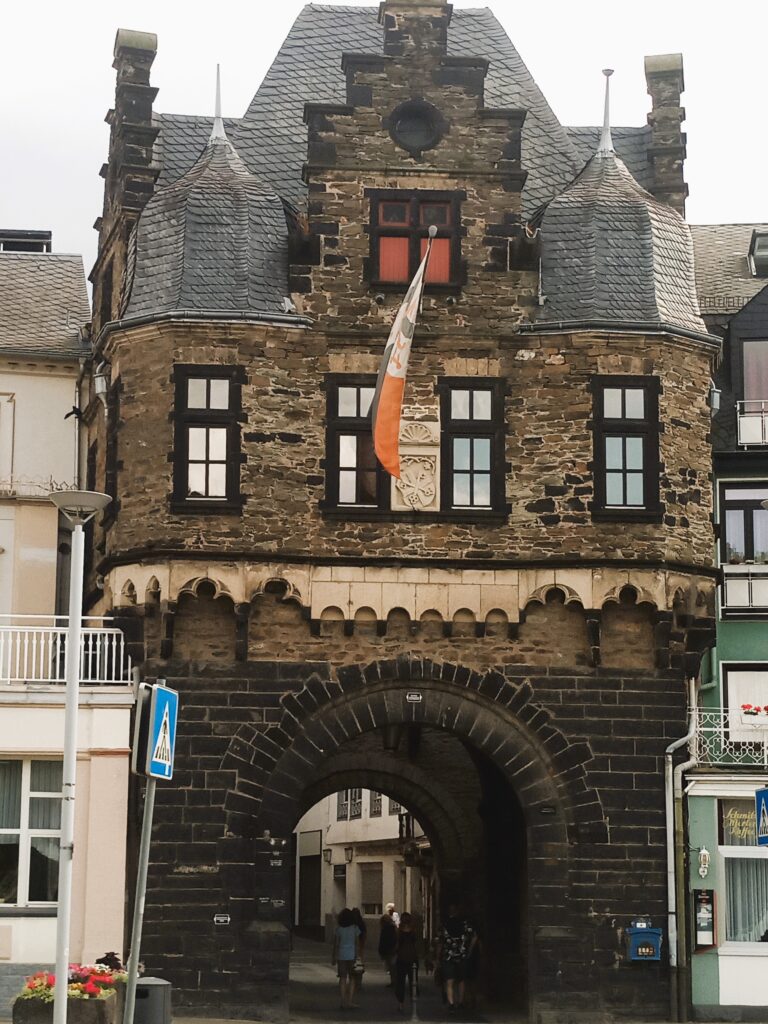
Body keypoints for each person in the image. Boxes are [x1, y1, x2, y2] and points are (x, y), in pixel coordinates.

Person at [436, 904, 476, 1013]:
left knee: (450, 980)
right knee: (461, 980)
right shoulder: (465, 924)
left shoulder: (444, 925)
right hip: (462, 955)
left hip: (448, 956)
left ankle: (451, 1002)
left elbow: (440, 942)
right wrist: (469, 950)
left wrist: (437, 957)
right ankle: (461, 1002)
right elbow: (474, 937)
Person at [332, 907, 361, 1010]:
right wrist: (358, 956)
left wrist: (333, 957)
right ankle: (350, 1001)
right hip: (352, 955)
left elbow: (336, 944)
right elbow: (357, 944)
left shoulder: (339, 929)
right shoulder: (355, 928)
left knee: (342, 978)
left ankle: (342, 1001)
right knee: (352, 978)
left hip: (341, 955)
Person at [393, 912, 420, 1015]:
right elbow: (416, 945)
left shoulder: (399, 932)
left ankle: (401, 1003)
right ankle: (414, 1001)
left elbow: (396, 945)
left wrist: (395, 952)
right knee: (413, 980)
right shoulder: (414, 931)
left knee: (400, 981)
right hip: (413, 958)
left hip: (401, 958)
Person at [350, 907, 367, 999]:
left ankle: (353, 983)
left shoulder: (351, 924)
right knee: (359, 966)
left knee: (352, 966)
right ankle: (359, 983)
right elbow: (364, 935)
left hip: (352, 948)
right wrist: (362, 946)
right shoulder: (361, 924)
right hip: (359, 948)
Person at [378, 906, 398, 985]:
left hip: (389, 950)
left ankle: (394, 981)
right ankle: (394, 981)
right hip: (392, 949)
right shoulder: (393, 928)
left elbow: (383, 941)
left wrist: (381, 950)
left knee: (391, 966)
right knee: (392, 966)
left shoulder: (386, 929)